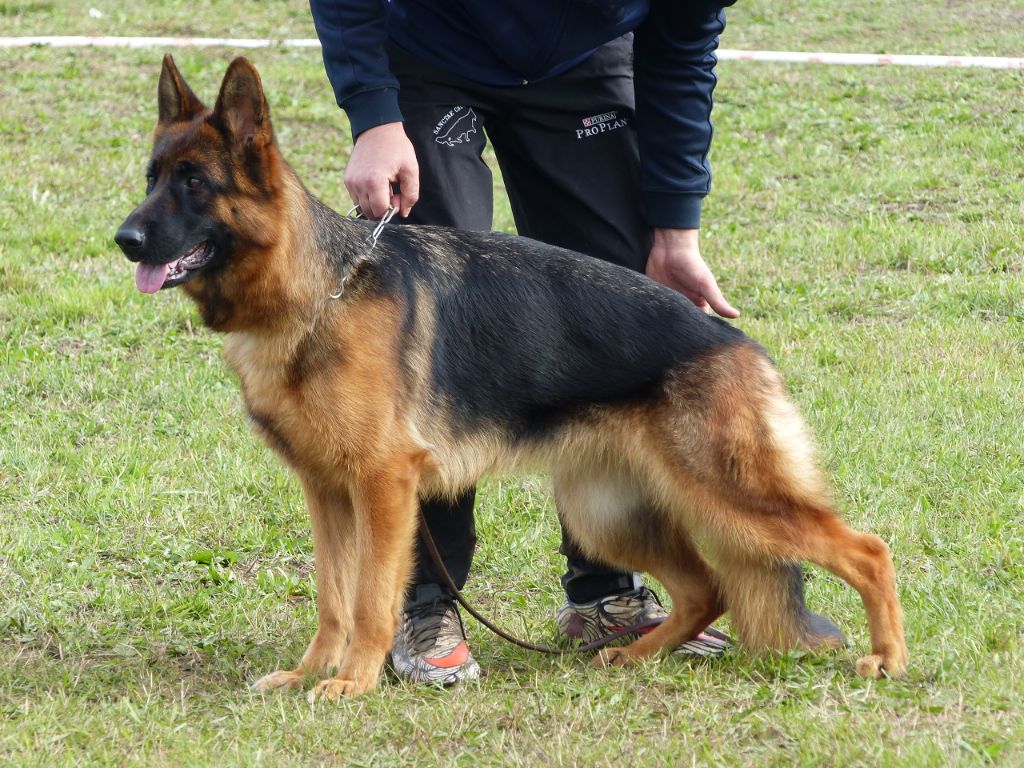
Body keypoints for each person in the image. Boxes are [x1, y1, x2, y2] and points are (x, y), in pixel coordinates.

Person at [309, 0, 750, 685]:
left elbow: (680, 53)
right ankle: (422, 605)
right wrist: (375, 114)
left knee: (613, 304)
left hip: (579, 59)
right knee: (431, 323)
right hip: (434, 45)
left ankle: (605, 591)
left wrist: (675, 231)